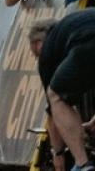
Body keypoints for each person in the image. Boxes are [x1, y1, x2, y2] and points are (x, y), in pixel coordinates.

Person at [29, 10, 95, 171]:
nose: (38, 59)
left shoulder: (49, 51)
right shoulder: (71, 25)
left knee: (56, 96)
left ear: (38, 45)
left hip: (88, 42)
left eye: (35, 55)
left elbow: (53, 111)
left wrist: (58, 154)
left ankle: (82, 164)